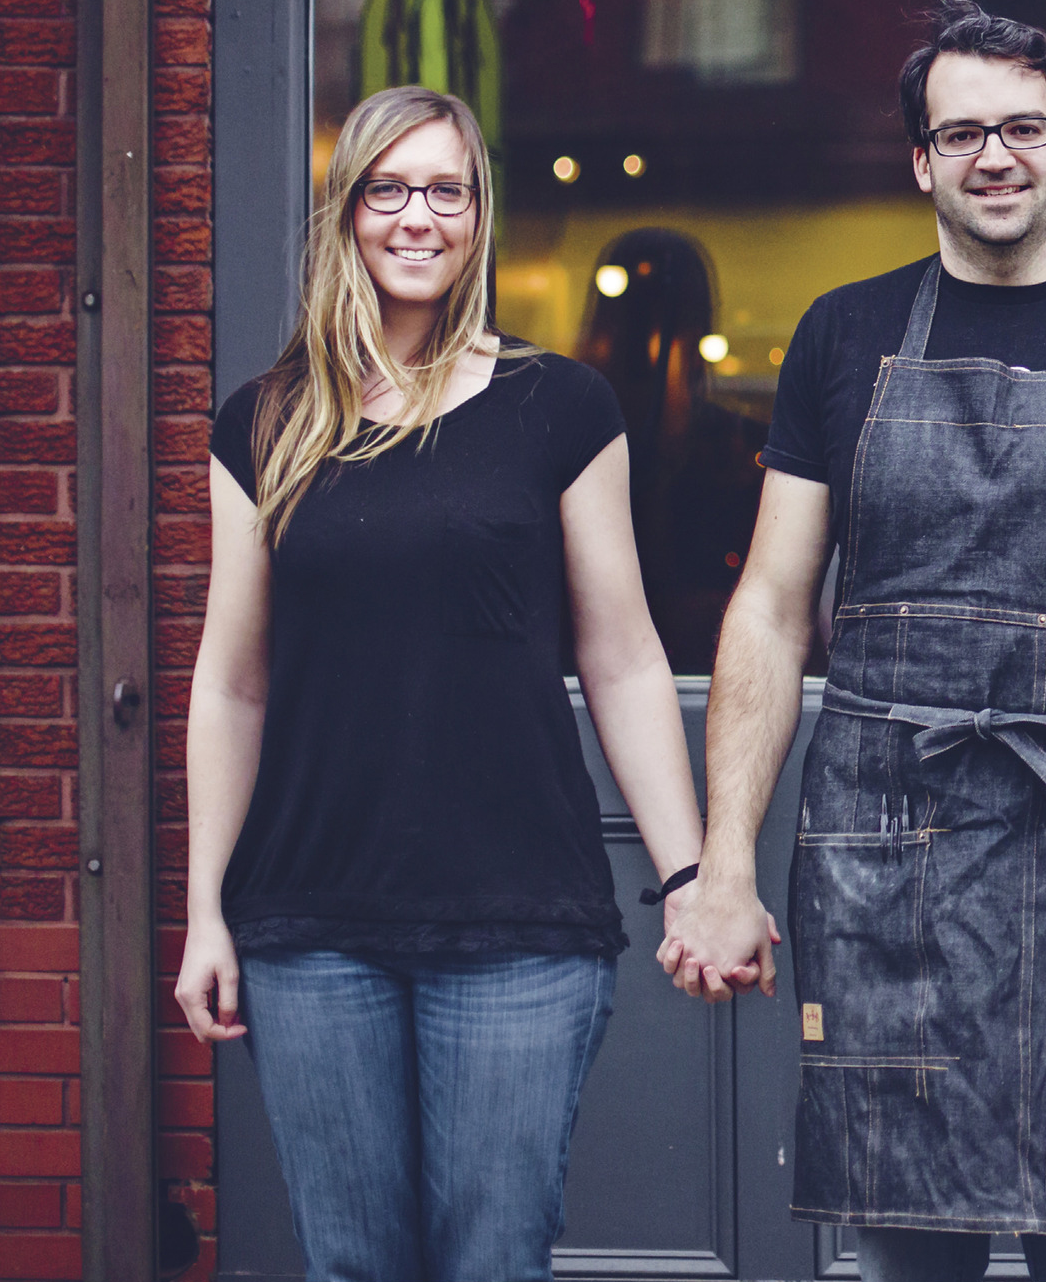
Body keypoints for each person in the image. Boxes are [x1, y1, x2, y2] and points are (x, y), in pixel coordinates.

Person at [662, 0, 1046, 1281]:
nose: (993, 155)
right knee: (895, 1242)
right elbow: (772, 609)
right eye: (961, 133)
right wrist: (723, 864)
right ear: (921, 160)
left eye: (1021, 127)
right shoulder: (843, 332)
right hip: (887, 847)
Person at [174, 85, 706, 1282]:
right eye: (388, 189)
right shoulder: (267, 421)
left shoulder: (558, 406)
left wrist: (689, 875)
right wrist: (205, 906)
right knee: (355, 1267)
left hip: (517, 919)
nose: (418, 217)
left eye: (446, 190)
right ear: (349, 210)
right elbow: (233, 684)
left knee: (490, 1265)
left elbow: (619, 655)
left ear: (478, 215)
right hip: (310, 921)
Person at [574, 227, 767, 670]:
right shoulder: (571, 437)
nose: (650, 334)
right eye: (637, 313)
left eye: (673, 316)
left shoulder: (736, 447)